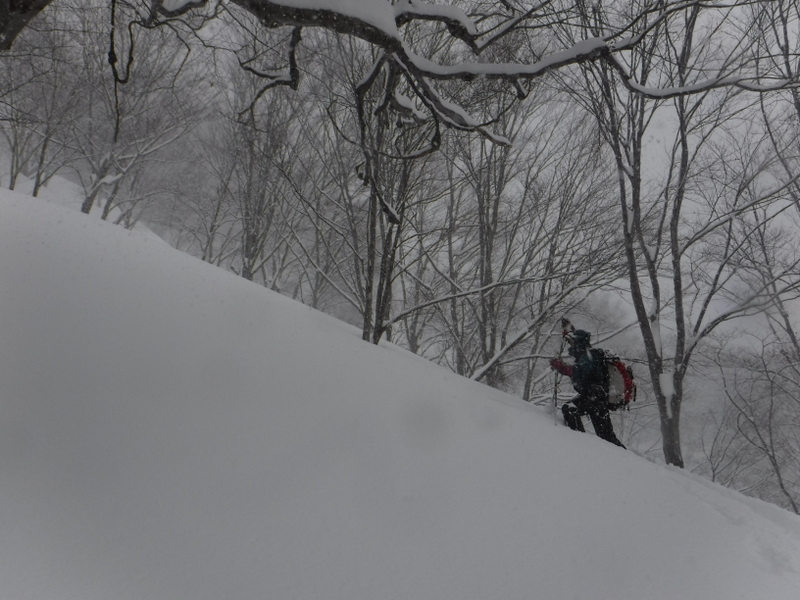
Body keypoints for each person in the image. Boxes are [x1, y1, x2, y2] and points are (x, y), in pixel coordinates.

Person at [549, 329, 626, 448]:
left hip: (595, 399)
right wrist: (568, 332)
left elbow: (579, 373)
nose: (571, 344)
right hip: (595, 398)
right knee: (606, 436)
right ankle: (620, 454)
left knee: (570, 409)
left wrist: (562, 367)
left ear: (579, 343)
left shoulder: (588, 357)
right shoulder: (585, 355)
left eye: (573, 342)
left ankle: (581, 443)